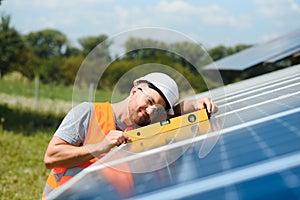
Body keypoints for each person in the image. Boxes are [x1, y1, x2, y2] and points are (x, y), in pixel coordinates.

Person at [42, 72, 218, 198]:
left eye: (156, 109)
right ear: (135, 91)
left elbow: (174, 114)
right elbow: (51, 157)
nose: (149, 111)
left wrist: (196, 104)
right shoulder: (88, 112)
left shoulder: (146, 127)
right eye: (149, 101)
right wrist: (100, 147)